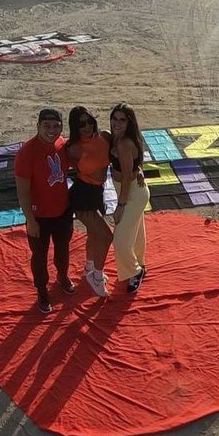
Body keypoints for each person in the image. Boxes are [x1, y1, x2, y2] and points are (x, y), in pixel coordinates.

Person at [14, 108, 76, 314]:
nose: (52, 130)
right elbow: (22, 192)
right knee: (39, 256)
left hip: (62, 211)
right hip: (39, 216)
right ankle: (42, 290)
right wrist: (30, 220)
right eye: (47, 126)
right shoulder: (27, 153)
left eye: (56, 126)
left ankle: (62, 276)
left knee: (63, 249)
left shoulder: (63, 145)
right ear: (38, 126)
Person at [65, 106, 113, 298]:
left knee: (94, 234)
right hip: (82, 195)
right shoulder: (73, 148)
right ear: (74, 127)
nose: (86, 127)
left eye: (89, 121)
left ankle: (89, 268)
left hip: (98, 192)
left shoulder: (105, 137)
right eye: (81, 124)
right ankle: (97, 277)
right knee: (106, 236)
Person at [109, 103, 150, 293]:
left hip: (131, 193)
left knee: (120, 240)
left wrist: (120, 206)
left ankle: (135, 271)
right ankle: (140, 263)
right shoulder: (117, 138)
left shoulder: (124, 143)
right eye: (114, 118)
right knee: (137, 231)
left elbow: (126, 176)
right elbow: (134, 163)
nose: (117, 123)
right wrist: (138, 170)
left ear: (129, 123)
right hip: (132, 189)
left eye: (122, 120)